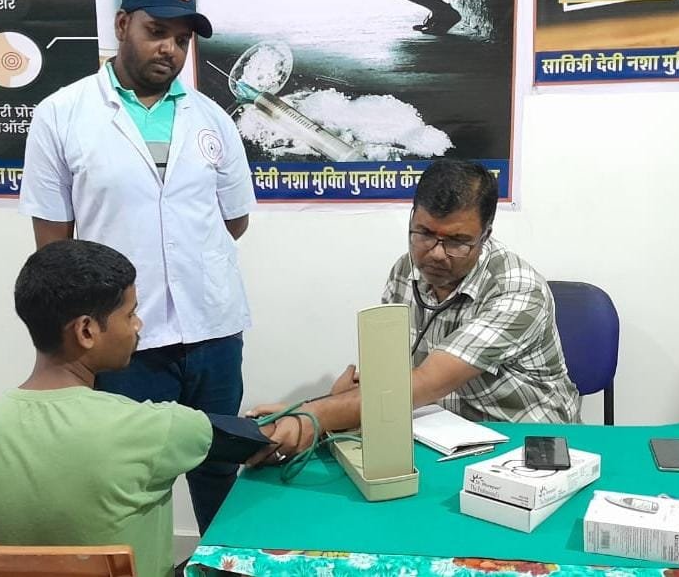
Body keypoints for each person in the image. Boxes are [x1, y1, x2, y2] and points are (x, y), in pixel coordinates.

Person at [18, 0, 255, 532]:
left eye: (182, 39)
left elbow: (235, 220)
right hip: (121, 341)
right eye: (156, 32)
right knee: (123, 478)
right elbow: (54, 246)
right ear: (122, 25)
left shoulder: (212, 117)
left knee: (220, 469)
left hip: (213, 332)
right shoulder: (62, 114)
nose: (169, 48)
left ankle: (214, 568)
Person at [248, 159, 579, 465]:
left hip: (526, 442)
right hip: (438, 435)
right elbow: (390, 377)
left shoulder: (518, 289)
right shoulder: (406, 271)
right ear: (411, 219)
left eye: (457, 241)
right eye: (424, 234)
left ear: (485, 235)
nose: (435, 254)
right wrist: (321, 407)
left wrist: (314, 415)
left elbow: (425, 383)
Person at [0, 240, 213, 577]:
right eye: (130, 314)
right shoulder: (151, 427)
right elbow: (252, 438)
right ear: (86, 330)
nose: (138, 325)